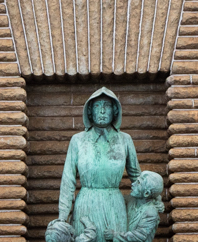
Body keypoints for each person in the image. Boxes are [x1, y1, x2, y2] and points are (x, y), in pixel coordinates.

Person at [58, 88, 141, 242]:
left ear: (115, 111)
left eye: (107, 106)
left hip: (114, 205)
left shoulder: (125, 140)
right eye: (97, 106)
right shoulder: (78, 140)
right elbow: (68, 180)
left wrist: (149, 205)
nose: (102, 111)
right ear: (90, 111)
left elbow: (137, 177)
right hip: (86, 206)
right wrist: (63, 217)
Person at [105, 171, 165, 242]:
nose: (133, 184)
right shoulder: (131, 200)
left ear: (146, 193)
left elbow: (139, 236)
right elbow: (118, 200)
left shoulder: (150, 213)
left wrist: (115, 235)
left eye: (138, 183)